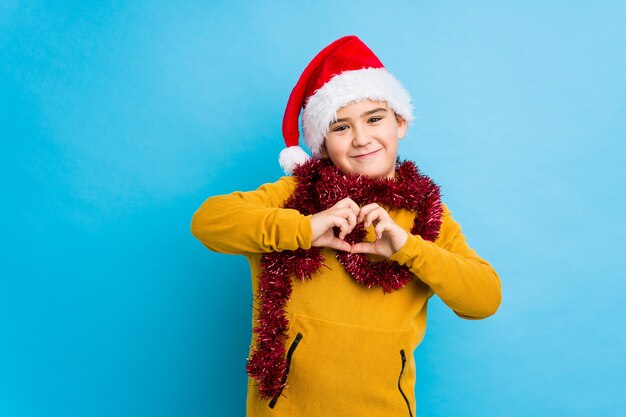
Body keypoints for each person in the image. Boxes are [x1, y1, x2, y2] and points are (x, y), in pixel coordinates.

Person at [191, 35, 501, 417]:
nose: (361, 139)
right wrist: (305, 228)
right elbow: (208, 221)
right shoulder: (293, 195)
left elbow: (484, 299)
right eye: (341, 127)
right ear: (322, 142)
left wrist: (409, 248)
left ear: (400, 123)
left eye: (374, 119)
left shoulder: (425, 214)